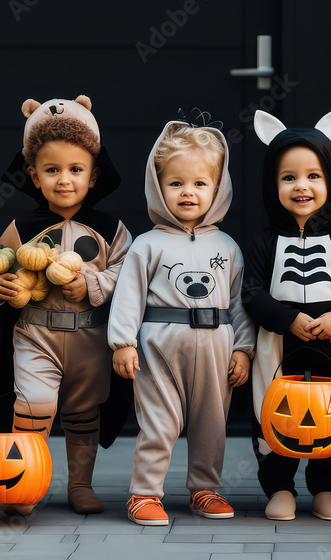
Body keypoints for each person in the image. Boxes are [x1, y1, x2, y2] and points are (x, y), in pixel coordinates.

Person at [0, 96, 130, 515]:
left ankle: (80, 485)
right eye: (52, 170)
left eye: (75, 170)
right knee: (34, 405)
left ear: (93, 174)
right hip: (36, 334)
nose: (64, 180)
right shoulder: (22, 228)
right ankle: (23, 483)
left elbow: (128, 274)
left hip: (90, 337)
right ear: (33, 174)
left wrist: (92, 283)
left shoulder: (111, 230)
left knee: (84, 411)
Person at [108, 118, 255, 527]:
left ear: (217, 188)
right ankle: (144, 493)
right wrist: (122, 342)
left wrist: (244, 348)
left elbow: (239, 302)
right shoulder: (147, 244)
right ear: (159, 188)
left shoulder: (227, 247)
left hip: (217, 346)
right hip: (158, 348)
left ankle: (205, 488)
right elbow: (129, 295)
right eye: (176, 183)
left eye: (199, 183)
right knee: (159, 420)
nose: (188, 192)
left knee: (212, 423)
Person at [243, 109, 331, 522]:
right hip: (279, 343)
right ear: (273, 184)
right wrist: (285, 318)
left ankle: (325, 487)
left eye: (313, 176)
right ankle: (279, 486)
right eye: (289, 177)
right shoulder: (264, 241)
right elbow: (251, 291)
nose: (302, 186)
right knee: (273, 411)